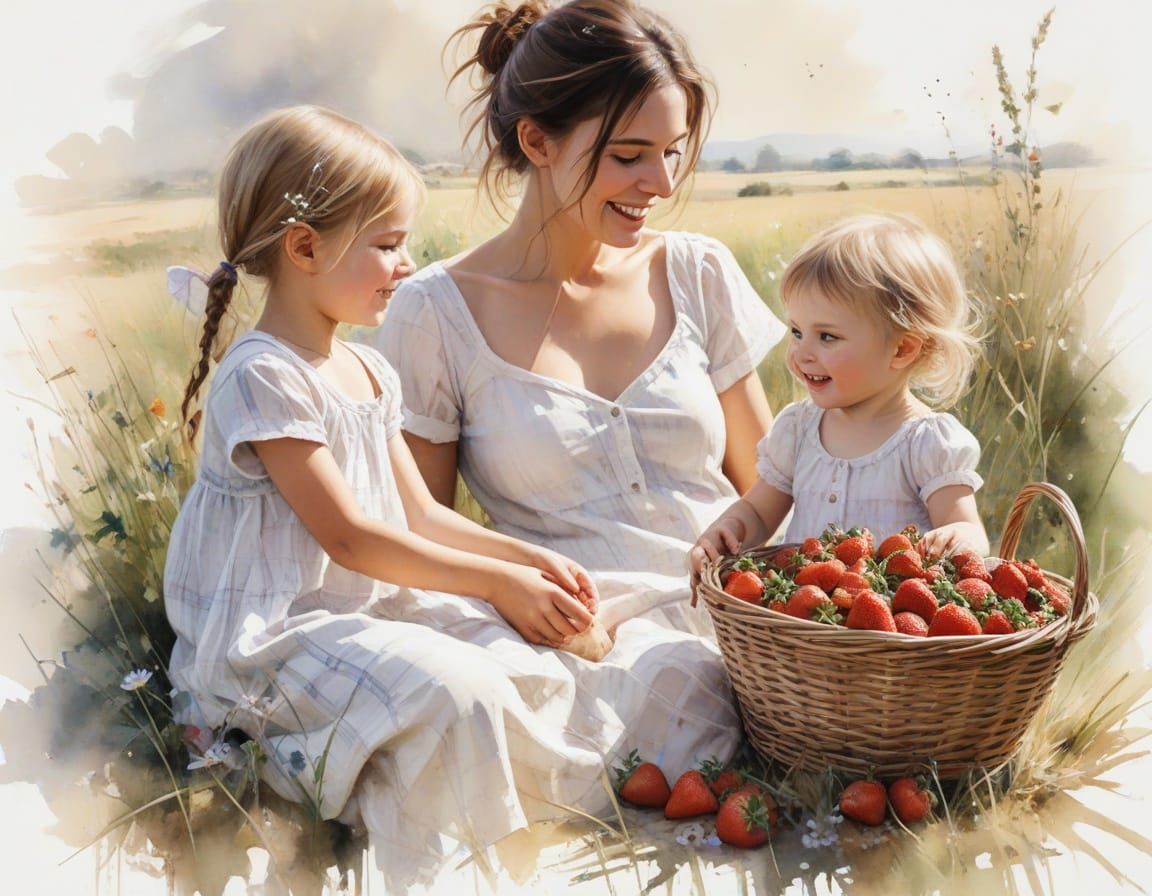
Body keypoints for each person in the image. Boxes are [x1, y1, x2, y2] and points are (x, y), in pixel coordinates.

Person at [163, 105, 740, 891]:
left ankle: (556, 825)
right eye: (387, 245)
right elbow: (351, 539)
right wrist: (497, 583)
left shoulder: (367, 370)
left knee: (553, 657)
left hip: (362, 609)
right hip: (281, 631)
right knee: (457, 690)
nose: (406, 265)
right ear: (305, 248)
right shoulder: (266, 374)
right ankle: (466, 870)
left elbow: (423, 515)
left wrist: (533, 562)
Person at [373, 0, 785, 631]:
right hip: (578, 640)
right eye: (629, 156)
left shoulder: (696, 272)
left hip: (753, 629)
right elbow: (426, 535)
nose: (663, 183)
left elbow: (771, 485)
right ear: (536, 140)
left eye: (673, 152)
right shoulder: (434, 314)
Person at [690, 213, 990, 573]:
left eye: (827, 337)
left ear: (902, 349)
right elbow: (757, 511)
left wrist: (958, 537)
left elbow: (968, 529)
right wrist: (732, 527)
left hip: (887, 624)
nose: (801, 353)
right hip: (802, 614)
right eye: (797, 332)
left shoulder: (925, 444)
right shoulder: (799, 430)